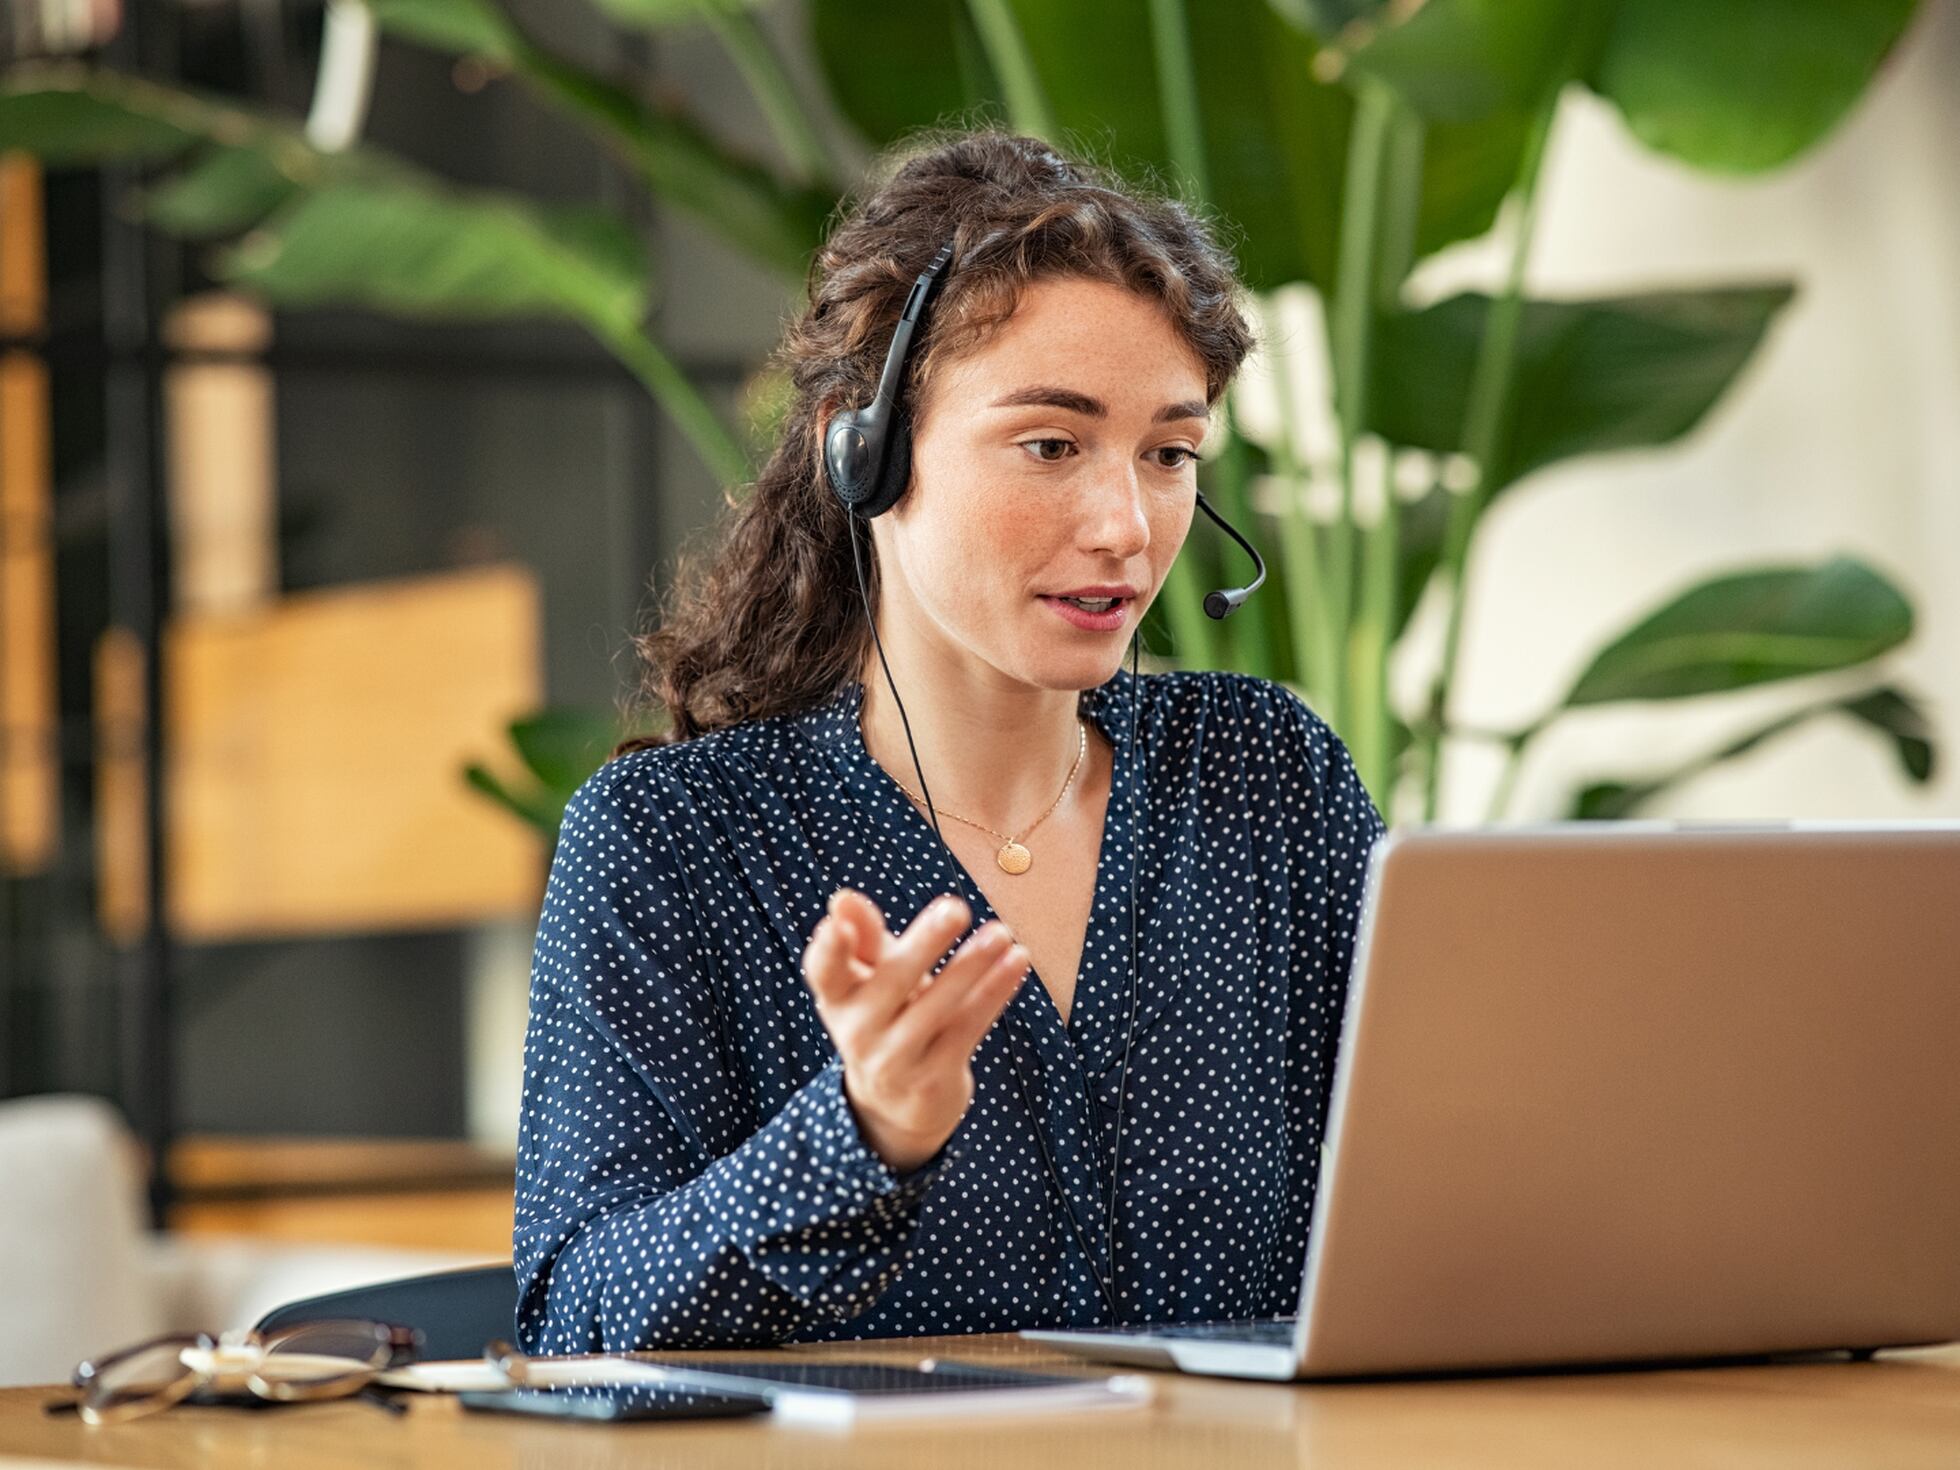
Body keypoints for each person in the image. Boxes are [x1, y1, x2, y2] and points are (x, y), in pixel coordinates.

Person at [512, 128, 1386, 1354]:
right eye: (1049, 444)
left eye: (1170, 454)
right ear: (861, 450)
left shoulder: (1265, 777)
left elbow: (1437, 1191)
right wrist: (861, 1136)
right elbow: (574, 1320)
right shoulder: (675, 842)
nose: (1126, 525)